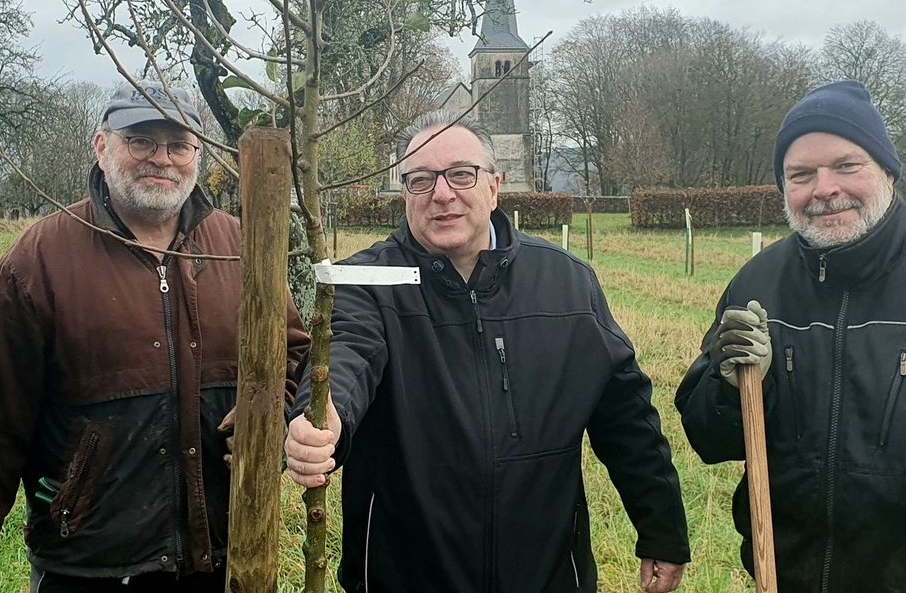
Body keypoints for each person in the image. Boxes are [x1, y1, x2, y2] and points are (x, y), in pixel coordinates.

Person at [285, 110, 690, 593]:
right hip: (405, 574)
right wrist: (325, 416)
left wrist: (662, 528)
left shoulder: (565, 284)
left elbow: (626, 417)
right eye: (420, 180)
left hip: (548, 574)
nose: (442, 194)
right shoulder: (368, 281)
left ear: (494, 187)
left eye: (461, 174)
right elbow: (346, 353)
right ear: (404, 194)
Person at [0, 80, 310, 592]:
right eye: (142, 142)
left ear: (197, 155)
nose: (163, 159)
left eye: (179, 146)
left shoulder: (238, 246)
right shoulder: (41, 257)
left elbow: (291, 352)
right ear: (102, 146)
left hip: (226, 555)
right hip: (91, 563)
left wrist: (272, 409)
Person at [676, 79, 906, 592]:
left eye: (847, 166)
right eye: (801, 174)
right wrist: (727, 386)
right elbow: (708, 441)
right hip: (784, 577)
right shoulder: (758, 283)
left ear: (888, 171)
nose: (824, 189)